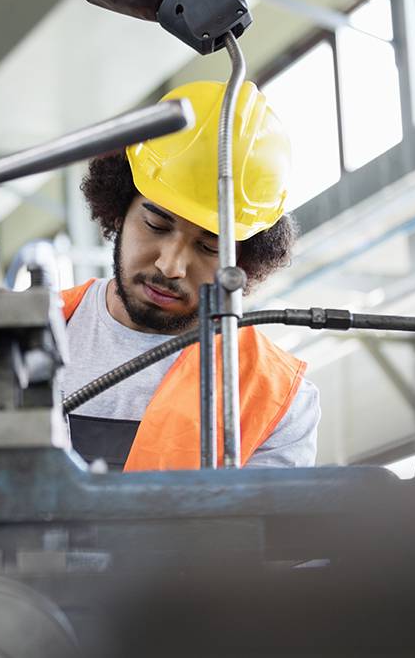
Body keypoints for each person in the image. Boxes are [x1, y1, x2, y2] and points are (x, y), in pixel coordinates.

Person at [59, 80, 319, 471]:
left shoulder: (277, 399)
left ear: (243, 259)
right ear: (119, 209)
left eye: (209, 247)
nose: (171, 266)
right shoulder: (16, 336)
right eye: (156, 225)